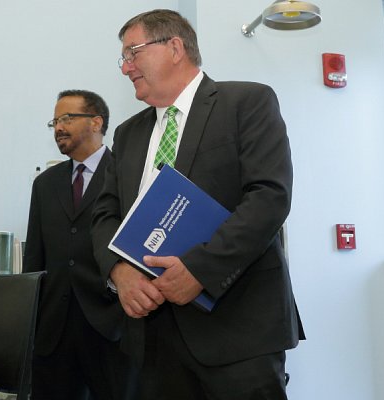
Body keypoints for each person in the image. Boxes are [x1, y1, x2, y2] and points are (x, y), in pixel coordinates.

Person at [91, 9, 304, 400]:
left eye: (132, 52)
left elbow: (270, 197)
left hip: (237, 331)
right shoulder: (128, 133)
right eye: (123, 57)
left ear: (174, 47)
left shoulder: (247, 102)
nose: (125, 67)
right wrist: (119, 273)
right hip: (153, 339)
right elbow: (104, 214)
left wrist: (200, 271)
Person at [23, 90, 136, 400]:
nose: (59, 127)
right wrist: (32, 328)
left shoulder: (127, 174)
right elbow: (35, 260)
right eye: (55, 121)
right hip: (53, 334)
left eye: (67, 118)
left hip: (111, 327)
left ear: (96, 122)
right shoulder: (45, 184)